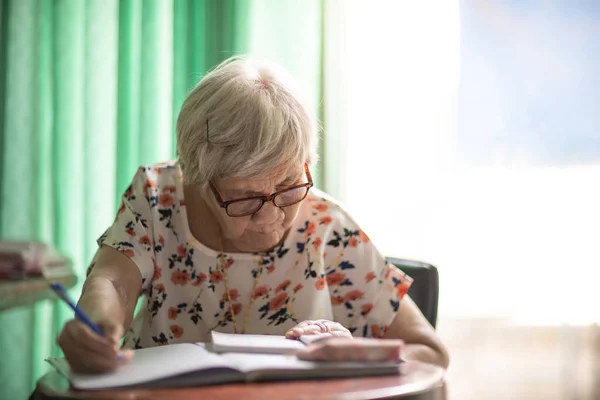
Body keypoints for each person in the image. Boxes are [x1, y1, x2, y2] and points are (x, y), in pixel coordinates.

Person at [57, 56, 449, 373]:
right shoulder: (158, 197)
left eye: (289, 188)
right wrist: (97, 326)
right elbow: (114, 281)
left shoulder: (325, 225)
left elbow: (429, 351)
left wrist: (356, 357)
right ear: (197, 178)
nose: (270, 218)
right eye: (245, 199)